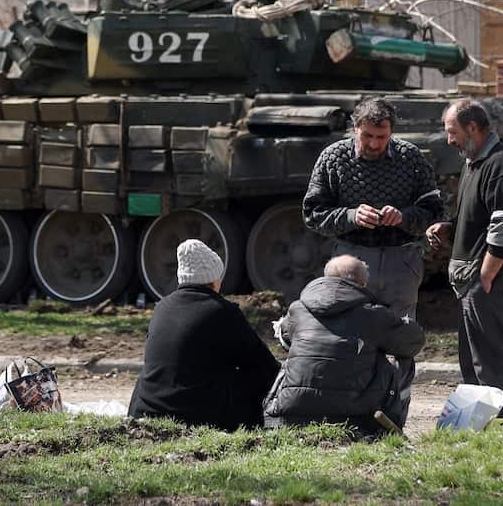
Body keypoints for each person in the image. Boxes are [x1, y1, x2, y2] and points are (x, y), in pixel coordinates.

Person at [426, 98, 503, 420]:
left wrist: (485, 276)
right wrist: (450, 229)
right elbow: (479, 218)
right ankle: (480, 432)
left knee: (494, 361)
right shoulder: (474, 164)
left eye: (452, 131)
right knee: (474, 362)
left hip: (490, 282)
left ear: (472, 128)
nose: (449, 140)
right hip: (473, 283)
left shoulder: (501, 164)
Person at [302, 97, 443, 320]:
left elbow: (434, 210)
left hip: (401, 261)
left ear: (391, 132)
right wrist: (351, 216)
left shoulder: (411, 158)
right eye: (367, 135)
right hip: (350, 262)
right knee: (350, 332)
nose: (374, 144)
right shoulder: (333, 158)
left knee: (400, 336)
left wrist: (403, 217)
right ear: (355, 128)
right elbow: (313, 213)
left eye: (382, 137)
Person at [263, 255, 425, 436]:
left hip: (292, 413)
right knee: (401, 358)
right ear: (362, 284)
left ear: (325, 278)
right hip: (357, 418)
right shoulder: (374, 315)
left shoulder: (298, 309)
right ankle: (389, 427)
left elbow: (285, 340)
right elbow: (413, 342)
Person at [128, 239, 279, 431]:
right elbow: (264, 364)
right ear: (214, 279)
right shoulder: (222, 311)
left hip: (146, 411)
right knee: (252, 375)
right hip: (197, 415)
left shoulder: (162, 307)